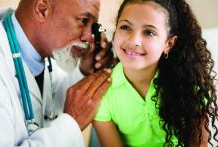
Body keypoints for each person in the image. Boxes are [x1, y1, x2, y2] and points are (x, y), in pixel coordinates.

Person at [93, 0, 218, 146]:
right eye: (125, 27)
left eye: (149, 32)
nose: (134, 41)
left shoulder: (189, 84)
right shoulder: (102, 93)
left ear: (168, 44)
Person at [0, 0, 114, 146]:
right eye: (83, 21)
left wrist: (85, 71)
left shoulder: (46, 52)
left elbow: (51, 100)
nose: (89, 37)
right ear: (42, 10)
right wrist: (72, 123)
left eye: (93, 26)